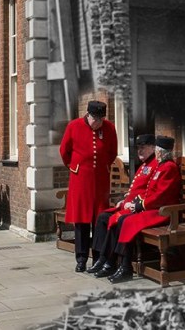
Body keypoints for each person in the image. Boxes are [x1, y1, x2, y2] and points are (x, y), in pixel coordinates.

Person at [95, 135, 181, 283]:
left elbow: (161, 195)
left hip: (163, 212)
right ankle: (119, 263)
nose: (157, 154)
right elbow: (150, 192)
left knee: (125, 221)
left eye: (158, 151)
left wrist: (139, 205)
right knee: (122, 219)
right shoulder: (162, 166)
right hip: (154, 209)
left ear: (160, 152)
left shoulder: (169, 168)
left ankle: (125, 266)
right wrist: (136, 202)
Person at [59, 100, 118, 272]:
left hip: (100, 181)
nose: (97, 123)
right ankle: (81, 258)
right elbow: (64, 150)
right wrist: (74, 166)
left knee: (99, 220)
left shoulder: (109, 127)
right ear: (88, 115)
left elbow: (112, 151)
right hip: (80, 180)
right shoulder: (74, 126)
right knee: (81, 221)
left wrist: (104, 165)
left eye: (100, 120)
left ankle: (99, 258)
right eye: (95, 119)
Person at [86, 133, 157, 276]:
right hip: (129, 205)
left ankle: (110, 261)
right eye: (138, 148)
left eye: (143, 147)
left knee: (118, 220)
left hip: (139, 209)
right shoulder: (145, 165)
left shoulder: (155, 165)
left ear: (153, 148)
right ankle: (101, 257)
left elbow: (150, 192)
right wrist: (125, 200)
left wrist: (132, 203)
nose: (140, 151)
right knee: (102, 217)